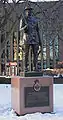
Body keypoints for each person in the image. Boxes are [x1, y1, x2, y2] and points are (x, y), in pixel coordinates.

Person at [21, 6, 41, 71]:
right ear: (25, 11)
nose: (29, 11)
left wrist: (40, 40)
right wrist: (25, 28)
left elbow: (37, 30)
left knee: (35, 53)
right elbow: (20, 30)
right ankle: (25, 67)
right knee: (26, 53)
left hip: (35, 38)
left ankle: (35, 67)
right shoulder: (23, 19)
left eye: (30, 10)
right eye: (27, 10)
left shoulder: (35, 20)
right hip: (26, 38)